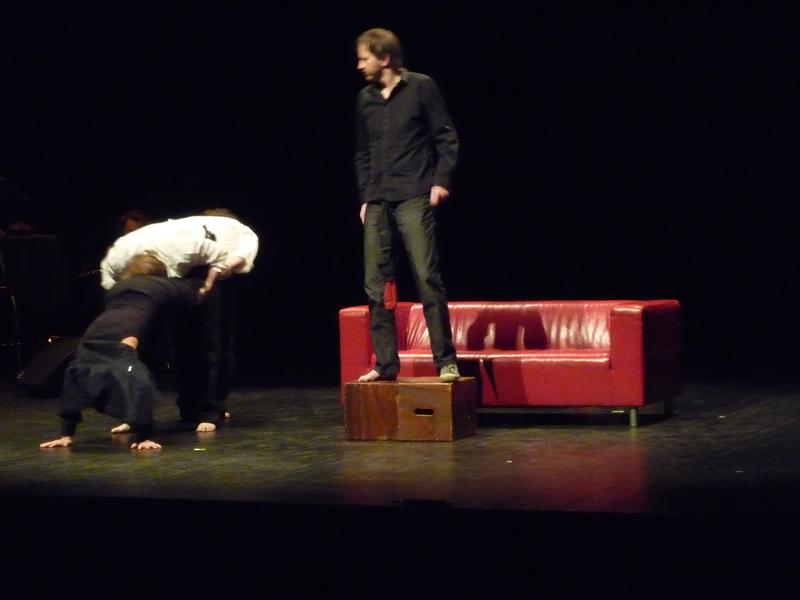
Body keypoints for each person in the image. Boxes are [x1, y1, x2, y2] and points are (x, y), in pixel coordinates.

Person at [354, 28, 460, 383]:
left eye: (364, 58)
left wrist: (441, 180)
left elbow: (446, 136)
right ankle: (386, 364)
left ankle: (445, 360)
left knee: (426, 278)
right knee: (375, 285)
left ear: (384, 58)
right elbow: (363, 152)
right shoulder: (365, 99)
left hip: (414, 194)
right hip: (378, 200)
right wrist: (365, 196)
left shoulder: (421, 87)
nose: (359, 65)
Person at [100, 212, 258, 432]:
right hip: (165, 257)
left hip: (208, 265)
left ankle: (210, 410)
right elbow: (109, 285)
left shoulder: (192, 248)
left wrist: (211, 279)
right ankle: (141, 413)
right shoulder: (117, 258)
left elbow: (243, 246)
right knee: (159, 345)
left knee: (207, 343)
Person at [39, 253, 203, 451]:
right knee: (138, 383)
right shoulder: (160, 285)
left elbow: (71, 391)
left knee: (76, 377)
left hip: (92, 336)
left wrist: (66, 434)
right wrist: (209, 280)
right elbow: (196, 291)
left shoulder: (117, 288)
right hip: (121, 339)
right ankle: (144, 434)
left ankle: (66, 435)